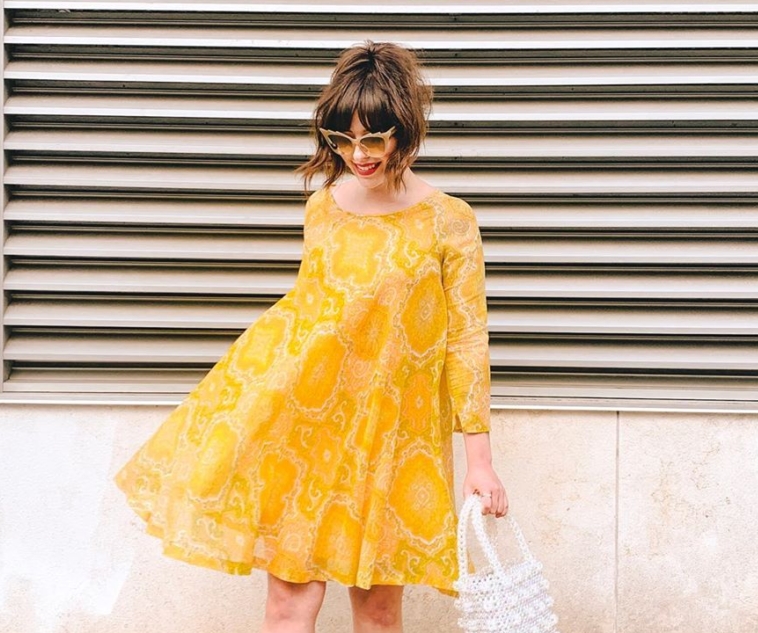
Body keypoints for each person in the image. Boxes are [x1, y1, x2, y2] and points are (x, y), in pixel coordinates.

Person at [114, 40, 508, 633]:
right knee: (289, 605)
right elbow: (308, 317)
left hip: (393, 440)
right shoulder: (323, 208)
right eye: (342, 140)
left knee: (378, 613)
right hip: (311, 433)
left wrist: (480, 462)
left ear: (405, 129)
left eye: (373, 139)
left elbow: (467, 341)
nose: (358, 155)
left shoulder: (449, 220)